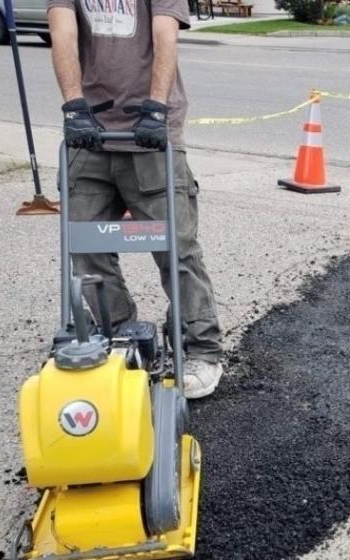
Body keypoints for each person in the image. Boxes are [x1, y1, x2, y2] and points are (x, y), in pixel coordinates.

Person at [47, 0, 223, 399]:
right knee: (84, 243)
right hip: (89, 131)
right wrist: (74, 105)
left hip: (151, 130)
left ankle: (202, 348)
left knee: (176, 249)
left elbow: (165, 36)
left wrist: (156, 109)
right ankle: (121, 332)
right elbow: (63, 32)